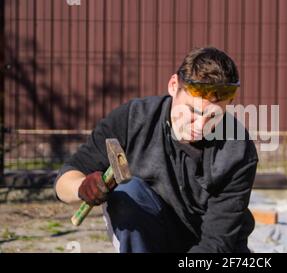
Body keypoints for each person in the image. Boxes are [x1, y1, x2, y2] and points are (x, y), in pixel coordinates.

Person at [54, 47, 258, 253]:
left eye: (214, 116)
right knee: (127, 193)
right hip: (153, 240)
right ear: (173, 86)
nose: (200, 125)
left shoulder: (237, 149)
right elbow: (64, 181)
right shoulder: (133, 119)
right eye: (193, 111)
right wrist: (81, 187)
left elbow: (216, 243)